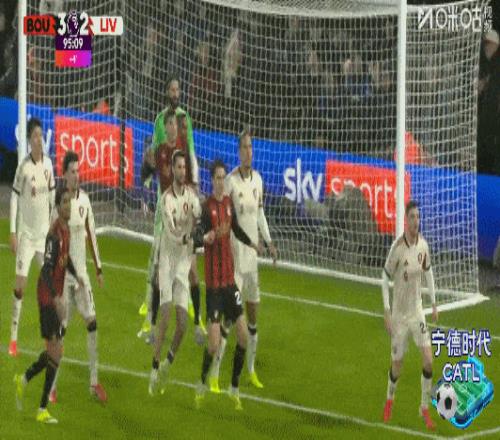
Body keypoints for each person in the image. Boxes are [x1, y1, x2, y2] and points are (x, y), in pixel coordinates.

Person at [138, 76, 205, 344]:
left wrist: (196, 189)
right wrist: (145, 188)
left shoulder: (184, 148)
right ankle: (150, 318)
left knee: (192, 269)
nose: (172, 128)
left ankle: (197, 321)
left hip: (184, 209)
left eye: (178, 89)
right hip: (165, 210)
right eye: (172, 89)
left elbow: (192, 159)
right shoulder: (160, 143)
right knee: (157, 265)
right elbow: (149, 165)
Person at [210, 129, 277, 392]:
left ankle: (251, 371)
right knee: (229, 320)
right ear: (238, 151)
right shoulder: (230, 182)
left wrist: (269, 241)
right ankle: (215, 373)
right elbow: (221, 214)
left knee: (252, 319)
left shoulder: (258, 180)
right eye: (244, 148)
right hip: (234, 264)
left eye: (251, 147)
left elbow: (260, 214)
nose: (248, 152)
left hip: (252, 264)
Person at [194, 160, 260, 410]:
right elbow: (196, 236)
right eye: (218, 178)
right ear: (212, 180)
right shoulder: (206, 208)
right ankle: (202, 382)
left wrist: (252, 243)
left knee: (243, 337)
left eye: (223, 177)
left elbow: (236, 229)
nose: (221, 182)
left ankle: (234, 387)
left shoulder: (229, 205)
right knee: (212, 345)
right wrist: (207, 237)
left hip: (230, 285)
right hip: (214, 289)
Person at [14, 187, 80, 424]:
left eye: (70, 202)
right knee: (56, 352)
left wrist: (78, 276)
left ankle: (23, 379)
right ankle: (41, 408)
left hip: (55, 297)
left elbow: (66, 259)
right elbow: (45, 270)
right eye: (64, 202)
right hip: (46, 298)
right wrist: (55, 299)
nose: (68, 206)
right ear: (57, 206)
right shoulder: (53, 235)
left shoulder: (66, 230)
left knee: (56, 352)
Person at [48, 151, 107, 403]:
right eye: (72, 171)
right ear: (64, 174)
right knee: (60, 331)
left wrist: (99, 269)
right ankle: (52, 386)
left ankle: (94, 382)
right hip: (63, 278)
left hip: (81, 276)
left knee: (92, 323)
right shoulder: (59, 204)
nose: (76, 175)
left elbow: (91, 234)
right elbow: (52, 240)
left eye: (78, 170)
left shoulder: (85, 201)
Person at [381, 201, 438, 431]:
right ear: (406, 220)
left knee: (428, 360)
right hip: (399, 316)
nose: (416, 221)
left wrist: (433, 303)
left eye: (418, 217)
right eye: (412, 217)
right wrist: (386, 311)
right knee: (397, 366)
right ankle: (389, 399)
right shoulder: (397, 248)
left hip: (417, 312)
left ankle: (424, 407)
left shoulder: (423, 245)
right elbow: (384, 278)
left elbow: (429, 272)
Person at [148, 150, 201, 395]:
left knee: (182, 325)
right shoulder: (166, 200)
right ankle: (154, 368)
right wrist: (189, 237)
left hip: (182, 265)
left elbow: (200, 217)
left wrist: (202, 229)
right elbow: (170, 232)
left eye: (184, 167)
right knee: (166, 315)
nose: (181, 171)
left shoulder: (191, 196)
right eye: (178, 167)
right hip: (167, 263)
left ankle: (167, 364)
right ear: (172, 170)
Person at [9, 117, 56, 357]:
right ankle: (13, 339)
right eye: (35, 135)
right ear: (29, 139)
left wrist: (55, 227)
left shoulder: (48, 164)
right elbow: (14, 197)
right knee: (20, 288)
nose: (39, 139)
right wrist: (13, 232)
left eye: (40, 135)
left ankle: (49, 338)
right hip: (26, 237)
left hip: (43, 238)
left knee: (49, 289)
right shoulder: (24, 167)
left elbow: (52, 197)